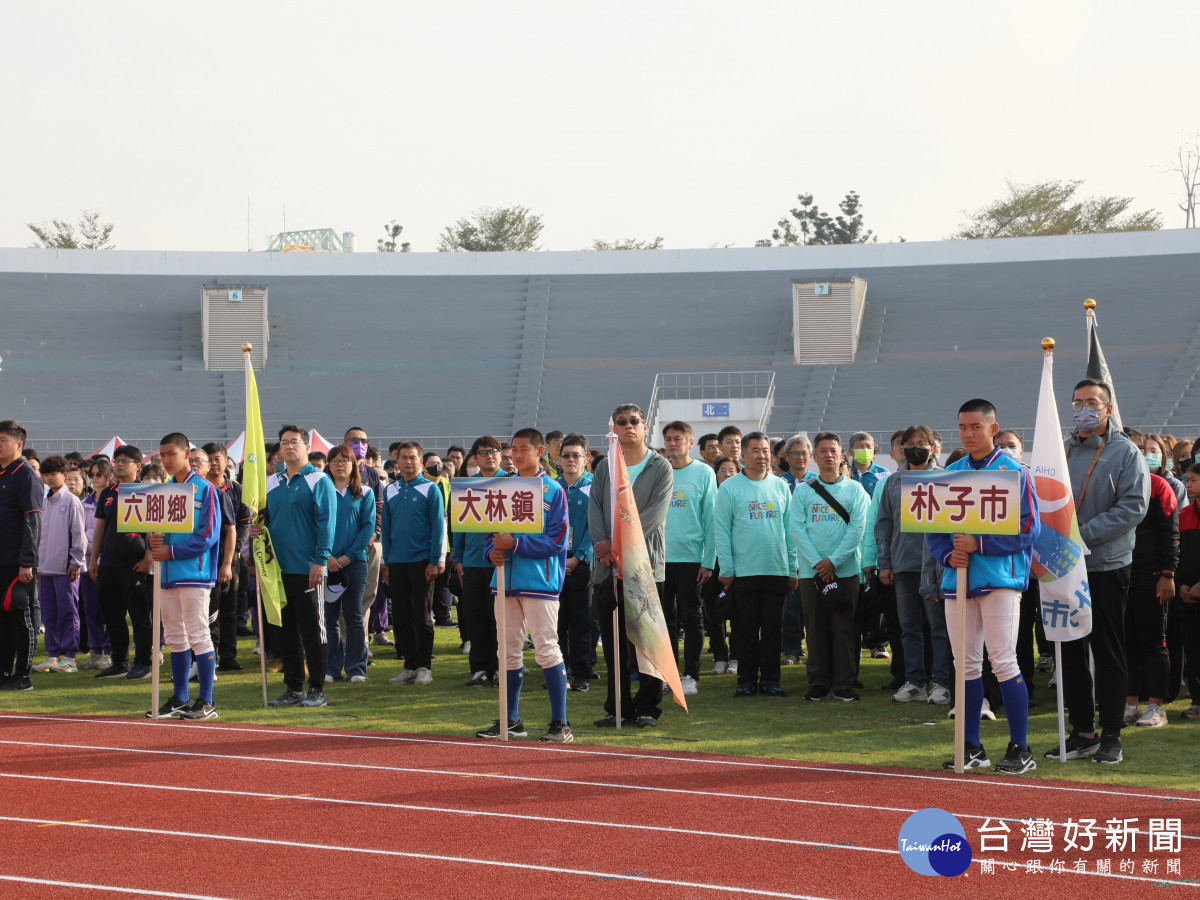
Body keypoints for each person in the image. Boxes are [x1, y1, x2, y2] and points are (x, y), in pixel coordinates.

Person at [927, 399, 1041, 775]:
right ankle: (972, 746)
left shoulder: (1015, 472)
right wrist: (947, 556)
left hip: (1000, 579)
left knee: (1003, 660)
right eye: (962, 427)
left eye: (975, 426)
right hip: (957, 581)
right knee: (966, 664)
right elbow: (934, 527)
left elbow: (1029, 530)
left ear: (993, 429)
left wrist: (981, 546)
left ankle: (1020, 747)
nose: (968, 433)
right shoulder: (951, 472)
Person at [1049, 379, 1150, 765]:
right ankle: (1082, 732)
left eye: (1092, 402)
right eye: (1077, 403)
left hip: (1105, 566)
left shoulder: (1125, 453)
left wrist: (1080, 537)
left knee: (1106, 650)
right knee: (1069, 651)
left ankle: (1111, 734)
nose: (1083, 409)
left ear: (1108, 408)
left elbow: (1133, 508)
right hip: (1062, 567)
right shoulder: (1063, 449)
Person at [477, 428, 572, 742]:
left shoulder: (553, 490)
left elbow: (557, 540)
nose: (516, 455)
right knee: (507, 651)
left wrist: (514, 544)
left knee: (546, 648)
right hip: (504, 581)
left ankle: (561, 723)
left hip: (540, 581)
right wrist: (492, 551)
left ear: (540, 450)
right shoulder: (500, 487)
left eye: (523, 449)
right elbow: (486, 532)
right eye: (513, 450)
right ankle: (511, 719)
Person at [588, 403, 673, 727]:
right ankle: (619, 708)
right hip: (607, 567)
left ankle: (649, 707)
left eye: (633, 421)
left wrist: (618, 544)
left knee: (648, 641)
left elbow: (653, 515)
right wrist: (603, 546)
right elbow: (595, 508)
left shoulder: (660, 467)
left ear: (644, 425)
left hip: (645, 567)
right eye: (621, 422)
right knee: (613, 643)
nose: (628, 427)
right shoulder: (605, 466)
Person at [714, 432, 797, 697]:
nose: (762, 456)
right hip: (743, 572)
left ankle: (771, 679)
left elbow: (790, 530)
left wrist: (792, 567)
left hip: (776, 569)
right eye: (756, 451)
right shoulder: (730, 488)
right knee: (746, 628)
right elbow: (722, 531)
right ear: (743, 455)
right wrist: (726, 569)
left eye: (765, 451)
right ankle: (746, 679)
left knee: (773, 629)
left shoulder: (780, 486)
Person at [259, 425, 337, 709]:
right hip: (277, 571)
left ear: (306, 446)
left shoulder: (319, 480)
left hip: (307, 568)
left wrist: (320, 560)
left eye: (294, 442)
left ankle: (317, 688)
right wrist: (258, 532)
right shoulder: (272, 482)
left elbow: (326, 524)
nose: (289, 446)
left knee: (314, 630)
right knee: (286, 631)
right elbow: (265, 521)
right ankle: (294, 688)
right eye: (284, 442)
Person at [874, 425, 952, 705]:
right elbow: (883, 524)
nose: (915, 446)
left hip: (936, 564)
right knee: (908, 626)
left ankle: (942, 681)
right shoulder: (894, 481)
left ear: (933, 447)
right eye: (909, 442)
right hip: (903, 564)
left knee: (938, 627)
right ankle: (916, 681)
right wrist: (885, 562)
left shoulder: (946, 478)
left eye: (921, 442)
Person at [789, 432, 869, 702]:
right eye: (822, 450)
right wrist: (818, 562)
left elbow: (858, 529)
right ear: (814, 457)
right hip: (812, 573)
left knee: (844, 629)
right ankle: (818, 682)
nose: (828, 455)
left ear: (842, 455)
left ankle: (844, 683)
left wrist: (833, 561)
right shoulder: (803, 490)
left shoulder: (855, 490)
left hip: (845, 570)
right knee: (815, 628)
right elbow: (797, 528)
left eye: (833, 450)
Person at [147, 433, 222, 720]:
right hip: (165, 575)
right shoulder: (163, 489)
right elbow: (153, 527)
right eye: (162, 454)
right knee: (176, 638)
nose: (166, 460)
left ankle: (206, 701)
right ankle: (180, 698)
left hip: (194, 573)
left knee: (199, 634)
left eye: (171, 454)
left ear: (186, 453)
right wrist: (154, 542)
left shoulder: (204, 489)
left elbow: (208, 536)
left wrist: (172, 552)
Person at [1122, 439, 1179, 729]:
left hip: (1152, 576)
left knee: (1154, 642)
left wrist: (1167, 574)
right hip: (1119, 574)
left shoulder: (1158, 485)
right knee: (1127, 643)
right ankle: (1130, 704)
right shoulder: (1114, 483)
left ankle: (1156, 705)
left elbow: (1170, 533)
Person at [381, 441, 445, 686]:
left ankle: (424, 666)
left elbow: (439, 527)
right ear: (397, 461)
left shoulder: (431, 489)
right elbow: (386, 528)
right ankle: (409, 665)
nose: (408, 461)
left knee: (422, 614)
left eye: (412, 457)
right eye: (403, 457)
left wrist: (435, 560)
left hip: (422, 561)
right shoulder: (390, 490)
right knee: (402, 615)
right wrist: (386, 562)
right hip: (396, 561)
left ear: (421, 462)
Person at [89, 444, 154, 680]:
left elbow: (154, 529)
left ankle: (144, 663)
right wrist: (94, 560)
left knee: (138, 617)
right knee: (113, 617)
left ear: (138, 465)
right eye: (117, 459)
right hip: (108, 564)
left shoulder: (147, 490)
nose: (119, 463)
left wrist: (148, 558)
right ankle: (119, 662)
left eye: (125, 460)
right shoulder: (107, 493)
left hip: (133, 564)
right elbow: (99, 529)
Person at [661, 421, 716, 695]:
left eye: (678, 438)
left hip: (691, 557)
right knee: (663, 620)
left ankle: (690, 676)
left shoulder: (704, 472)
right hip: (659, 558)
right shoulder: (658, 472)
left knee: (692, 618)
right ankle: (666, 673)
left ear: (690, 442)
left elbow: (711, 520)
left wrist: (708, 560)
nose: (673, 443)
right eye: (668, 438)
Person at [323, 444, 376, 684]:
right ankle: (332, 668)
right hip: (327, 563)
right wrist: (328, 557)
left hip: (355, 563)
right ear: (329, 465)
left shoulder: (365, 492)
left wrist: (349, 556)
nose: (340, 464)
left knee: (354, 615)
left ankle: (356, 667)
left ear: (354, 464)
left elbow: (368, 527)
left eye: (345, 460)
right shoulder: (321, 491)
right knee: (329, 617)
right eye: (335, 460)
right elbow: (315, 526)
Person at [456, 436, 505, 687]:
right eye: (483, 452)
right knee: (475, 616)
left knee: (501, 619)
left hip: (503, 562)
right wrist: (459, 557)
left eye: (494, 451)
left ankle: (501, 667)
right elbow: (460, 526)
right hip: (474, 561)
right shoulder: (467, 485)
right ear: (474, 458)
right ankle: (479, 668)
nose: (489, 456)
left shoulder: (513, 482)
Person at [31, 456, 86, 674]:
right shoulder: (42, 501)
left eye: (54, 474)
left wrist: (76, 562)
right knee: (49, 613)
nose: (50, 478)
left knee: (68, 612)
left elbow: (78, 534)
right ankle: (53, 655)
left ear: (64, 475)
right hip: (44, 568)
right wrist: (36, 564)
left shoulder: (72, 501)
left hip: (66, 569)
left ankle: (71, 657)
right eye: (46, 474)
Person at [201, 442, 250, 671]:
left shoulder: (236, 489)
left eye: (216, 458)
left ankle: (228, 656)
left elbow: (244, 523)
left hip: (230, 557)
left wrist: (235, 551)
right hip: (202, 557)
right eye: (208, 459)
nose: (212, 463)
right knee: (207, 608)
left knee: (229, 608)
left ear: (225, 460)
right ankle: (206, 654)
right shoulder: (197, 489)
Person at [0, 421, 42, 692]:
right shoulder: (3, 474)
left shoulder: (25, 475)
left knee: (20, 616)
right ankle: (4, 672)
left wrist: (27, 561)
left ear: (18, 444)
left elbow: (32, 522)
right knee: (2, 619)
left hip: (18, 563)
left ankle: (23, 675)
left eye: (2, 439)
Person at [555, 434, 595, 693]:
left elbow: (598, 528)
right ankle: (559, 673)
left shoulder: (595, 485)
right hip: (552, 564)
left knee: (582, 623)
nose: (571, 460)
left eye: (576, 455)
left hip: (582, 564)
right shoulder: (550, 486)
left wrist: (577, 557)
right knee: (556, 624)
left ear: (586, 458)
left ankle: (582, 673)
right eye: (566, 455)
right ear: (559, 459)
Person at [76, 461, 111, 670]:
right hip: (88, 563)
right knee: (91, 609)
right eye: (92, 474)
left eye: (99, 474)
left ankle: (110, 650)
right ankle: (96, 650)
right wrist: (90, 540)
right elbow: (79, 532)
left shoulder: (114, 500)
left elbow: (108, 533)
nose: (95, 478)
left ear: (108, 476)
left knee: (110, 610)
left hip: (109, 561)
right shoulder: (84, 503)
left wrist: (91, 539)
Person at [1176, 463, 1200, 719]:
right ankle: (1197, 700)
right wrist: (1182, 584)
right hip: (1187, 597)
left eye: (1193, 480)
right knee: (1192, 649)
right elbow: (1177, 555)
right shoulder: (1183, 515)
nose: (1188, 484)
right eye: (1187, 479)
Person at [848, 432, 889, 498]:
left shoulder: (884, 473)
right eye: (860, 446)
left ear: (873, 452)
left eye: (868, 447)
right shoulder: (845, 472)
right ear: (850, 451)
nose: (865, 449)